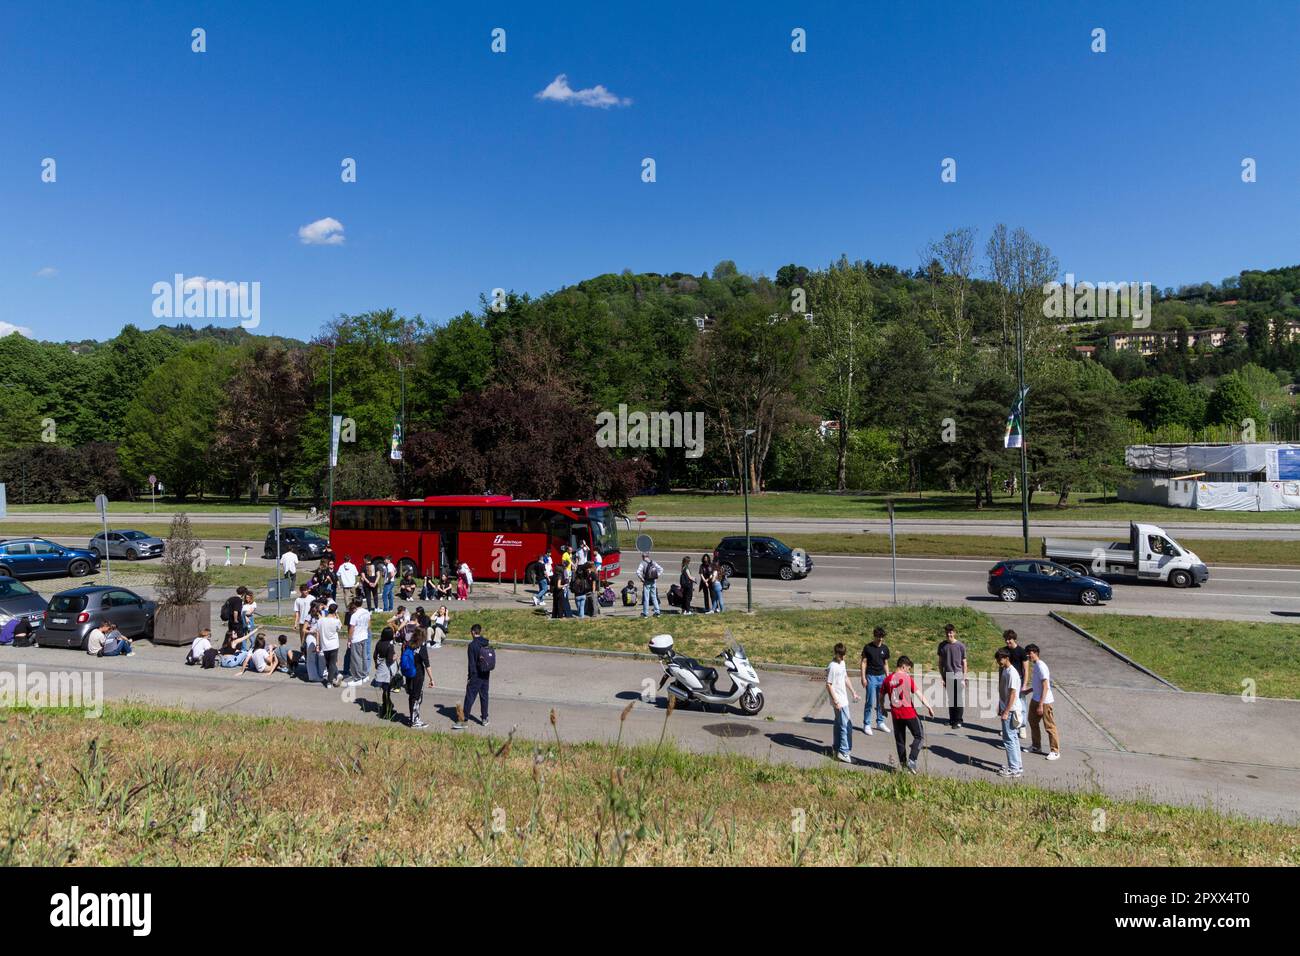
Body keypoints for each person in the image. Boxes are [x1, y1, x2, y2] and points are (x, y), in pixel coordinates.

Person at [881, 656, 934, 773]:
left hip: (896, 714)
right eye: (908, 669)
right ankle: (912, 760)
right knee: (919, 736)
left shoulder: (887, 679)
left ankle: (904, 767)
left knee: (900, 741)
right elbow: (919, 694)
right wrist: (929, 706)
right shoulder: (907, 678)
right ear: (903, 666)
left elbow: (881, 696)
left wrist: (882, 708)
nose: (908, 671)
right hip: (908, 712)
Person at [453, 623, 493, 729]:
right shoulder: (486, 642)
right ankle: (484, 718)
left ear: (473, 632)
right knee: (484, 697)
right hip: (486, 674)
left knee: (470, 697)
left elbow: (471, 663)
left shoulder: (472, 645)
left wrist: (469, 677)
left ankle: (463, 720)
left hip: (476, 675)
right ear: (480, 632)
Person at [825, 642, 860, 763]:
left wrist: (853, 692)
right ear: (836, 654)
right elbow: (828, 685)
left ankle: (836, 748)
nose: (844, 657)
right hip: (839, 701)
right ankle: (844, 752)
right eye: (841, 655)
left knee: (839, 724)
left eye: (844, 655)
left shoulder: (842, 663)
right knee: (845, 725)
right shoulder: (832, 667)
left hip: (843, 699)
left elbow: (845, 677)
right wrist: (835, 701)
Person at [1025, 644, 1060, 760]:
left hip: (1044, 702)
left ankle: (1055, 751)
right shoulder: (1036, 666)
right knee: (1032, 721)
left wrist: (1041, 704)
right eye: (1028, 653)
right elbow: (1038, 685)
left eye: (1030, 653)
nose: (1028, 655)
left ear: (1036, 653)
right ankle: (1036, 746)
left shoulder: (1041, 666)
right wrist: (1029, 690)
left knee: (1049, 727)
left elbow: (1046, 686)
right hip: (1035, 698)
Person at [995, 648, 1023, 777]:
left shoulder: (1012, 673)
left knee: (1009, 740)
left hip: (1011, 711)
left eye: (1000, 659)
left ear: (1006, 658)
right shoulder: (1006, 670)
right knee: (1014, 739)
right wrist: (1000, 705)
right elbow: (1004, 692)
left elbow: (1012, 694)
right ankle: (1017, 766)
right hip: (1008, 709)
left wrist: (1006, 711)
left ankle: (1013, 769)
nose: (998, 662)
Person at [859, 627, 891, 735]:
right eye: (878, 637)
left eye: (882, 637)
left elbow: (886, 663)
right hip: (871, 677)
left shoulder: (885, 648)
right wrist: (863, 677)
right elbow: (863, 662)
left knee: (881, 701)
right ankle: (866, 724)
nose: (880, 639)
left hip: (881, 677)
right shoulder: (868, 648)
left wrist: (888, 677)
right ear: (874, 636)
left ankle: (880, 722)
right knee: (869, 701)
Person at [400, 629, 433, 728]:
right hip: (418, 675)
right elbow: (427, 664)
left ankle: (412, 717)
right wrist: (432, 679)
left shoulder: (408, 644)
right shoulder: (421, 647)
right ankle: (415, 721)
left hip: (409, 674)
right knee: (417, 697)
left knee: (412, 696)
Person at [937, 623, 968, 729]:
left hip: (958, 675)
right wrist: (942, 677)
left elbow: (964, 663)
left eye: (950, 632)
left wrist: (964, 678)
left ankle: (958, 721)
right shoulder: (942, 645)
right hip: (948, 675)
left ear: (954, 633)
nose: (948, 634)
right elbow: (940, 663)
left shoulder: (960, 646)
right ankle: (952, 719)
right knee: (951, 699)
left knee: (958, 699)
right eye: (947, 632)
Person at [1002, 629, 1029, 743]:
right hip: (1008, 681)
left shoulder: (1021, 652)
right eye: (1006, 639)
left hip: (1019, 681)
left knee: (1021, 705)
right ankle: (1008, 727)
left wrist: (1024, 685)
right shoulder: (1005, 651)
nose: (1007, 641)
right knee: (1008, 703)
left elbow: (1026, 669)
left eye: (1009, 639)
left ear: (1014, 639)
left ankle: (1022, 727)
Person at [372, 626, 398, 721]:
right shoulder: (389, 646)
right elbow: (390, 660)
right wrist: (395, 657)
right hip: (387, 671)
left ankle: (387, 706)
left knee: (384, 690)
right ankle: (387, 709)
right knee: (387, 691)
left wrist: (376, 664)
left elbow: (375, 655)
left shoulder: (379, 643)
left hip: (380, 669)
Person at [346, 598, 373, 687]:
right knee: (364, 657)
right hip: (364, 636)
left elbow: (351, 628)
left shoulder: (354, 615)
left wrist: (349, 640)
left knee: (356, 658)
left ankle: (357, 678)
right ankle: (365, 674)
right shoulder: (366, 612)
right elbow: (369, 624)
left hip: (356, 638)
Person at [318, 603, 342, 687]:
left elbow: (318, 631)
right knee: (332, 663)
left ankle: (333, 677)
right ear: (335, 611)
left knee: (328, 663)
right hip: (334, 645)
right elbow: (339, 628)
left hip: (325, 645)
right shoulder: (336, 621)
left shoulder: (321, 620)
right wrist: (337, 616)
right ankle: (330, 681)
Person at [637, 553, 663, 618]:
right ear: (648, 556)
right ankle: (657, 612)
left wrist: (642, 579)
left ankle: (645, 613)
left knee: (646, 598)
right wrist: (657, 576)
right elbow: (661, 569)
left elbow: (638, 572)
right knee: (654, 597)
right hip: (653, 582)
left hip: (646, 582)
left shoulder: (642, 563)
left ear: (643, 557)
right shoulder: (653, 562)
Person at [293, 583, 314, 650]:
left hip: (310, 622)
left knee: (311, 639)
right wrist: (295, 623)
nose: (306, 591)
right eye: (304, 590)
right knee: (303, 640)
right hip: (302, 622)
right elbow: (297, 612)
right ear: (301, 591)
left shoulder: (312, 598)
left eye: (307, 590)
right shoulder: (298, 600)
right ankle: (303, 654)